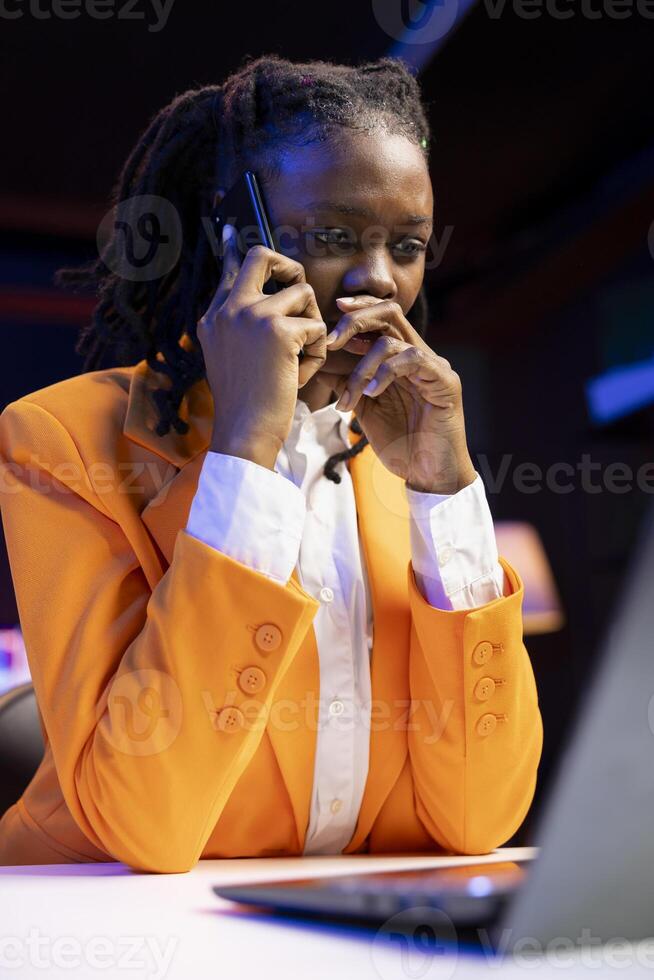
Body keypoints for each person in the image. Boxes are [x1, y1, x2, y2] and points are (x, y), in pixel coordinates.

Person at [0, 54, 542, 872]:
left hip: (346, 933)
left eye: (409, 245)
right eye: (332, 236)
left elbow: (479, 819)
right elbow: (146, 823)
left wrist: (447, 493)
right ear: (237, 238)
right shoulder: (61, 440)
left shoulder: (405, 456)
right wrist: (246, 452)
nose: (378, 280)